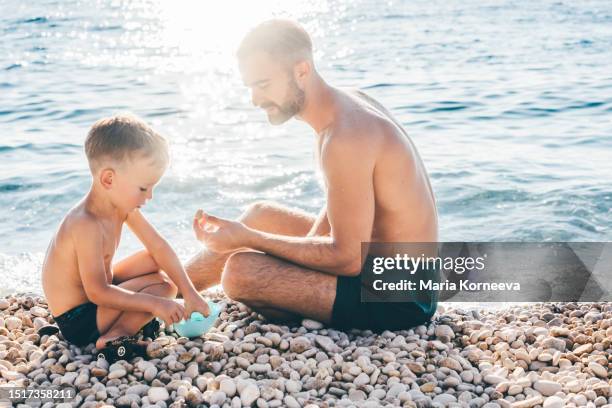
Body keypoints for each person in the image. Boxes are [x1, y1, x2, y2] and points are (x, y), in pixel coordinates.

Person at [186, 19, 438, 331]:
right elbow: (346, 201)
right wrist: (277, 242)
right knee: (260, 214)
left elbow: (347, 259)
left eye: (263, 85)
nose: (255, 100)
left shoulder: (345, 137)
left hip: (400, 296)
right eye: (250, 87)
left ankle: (161, 296)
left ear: (301, 71)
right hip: (380, 262)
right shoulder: (344, 107)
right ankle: (170, 291)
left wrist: (250, 239)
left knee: (240, 273)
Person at [42, 114, 210, 360]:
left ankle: (132, 319)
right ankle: (116, 336)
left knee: (160, 270)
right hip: (79, 319)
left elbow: (159, 246)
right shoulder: (85, 224)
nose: (149, 196)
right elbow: (97, 292)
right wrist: (155, 305)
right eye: (143, 188)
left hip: (96, 297)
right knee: (163, 291)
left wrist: (191, 292)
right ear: (109, 179)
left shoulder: (120, 205)